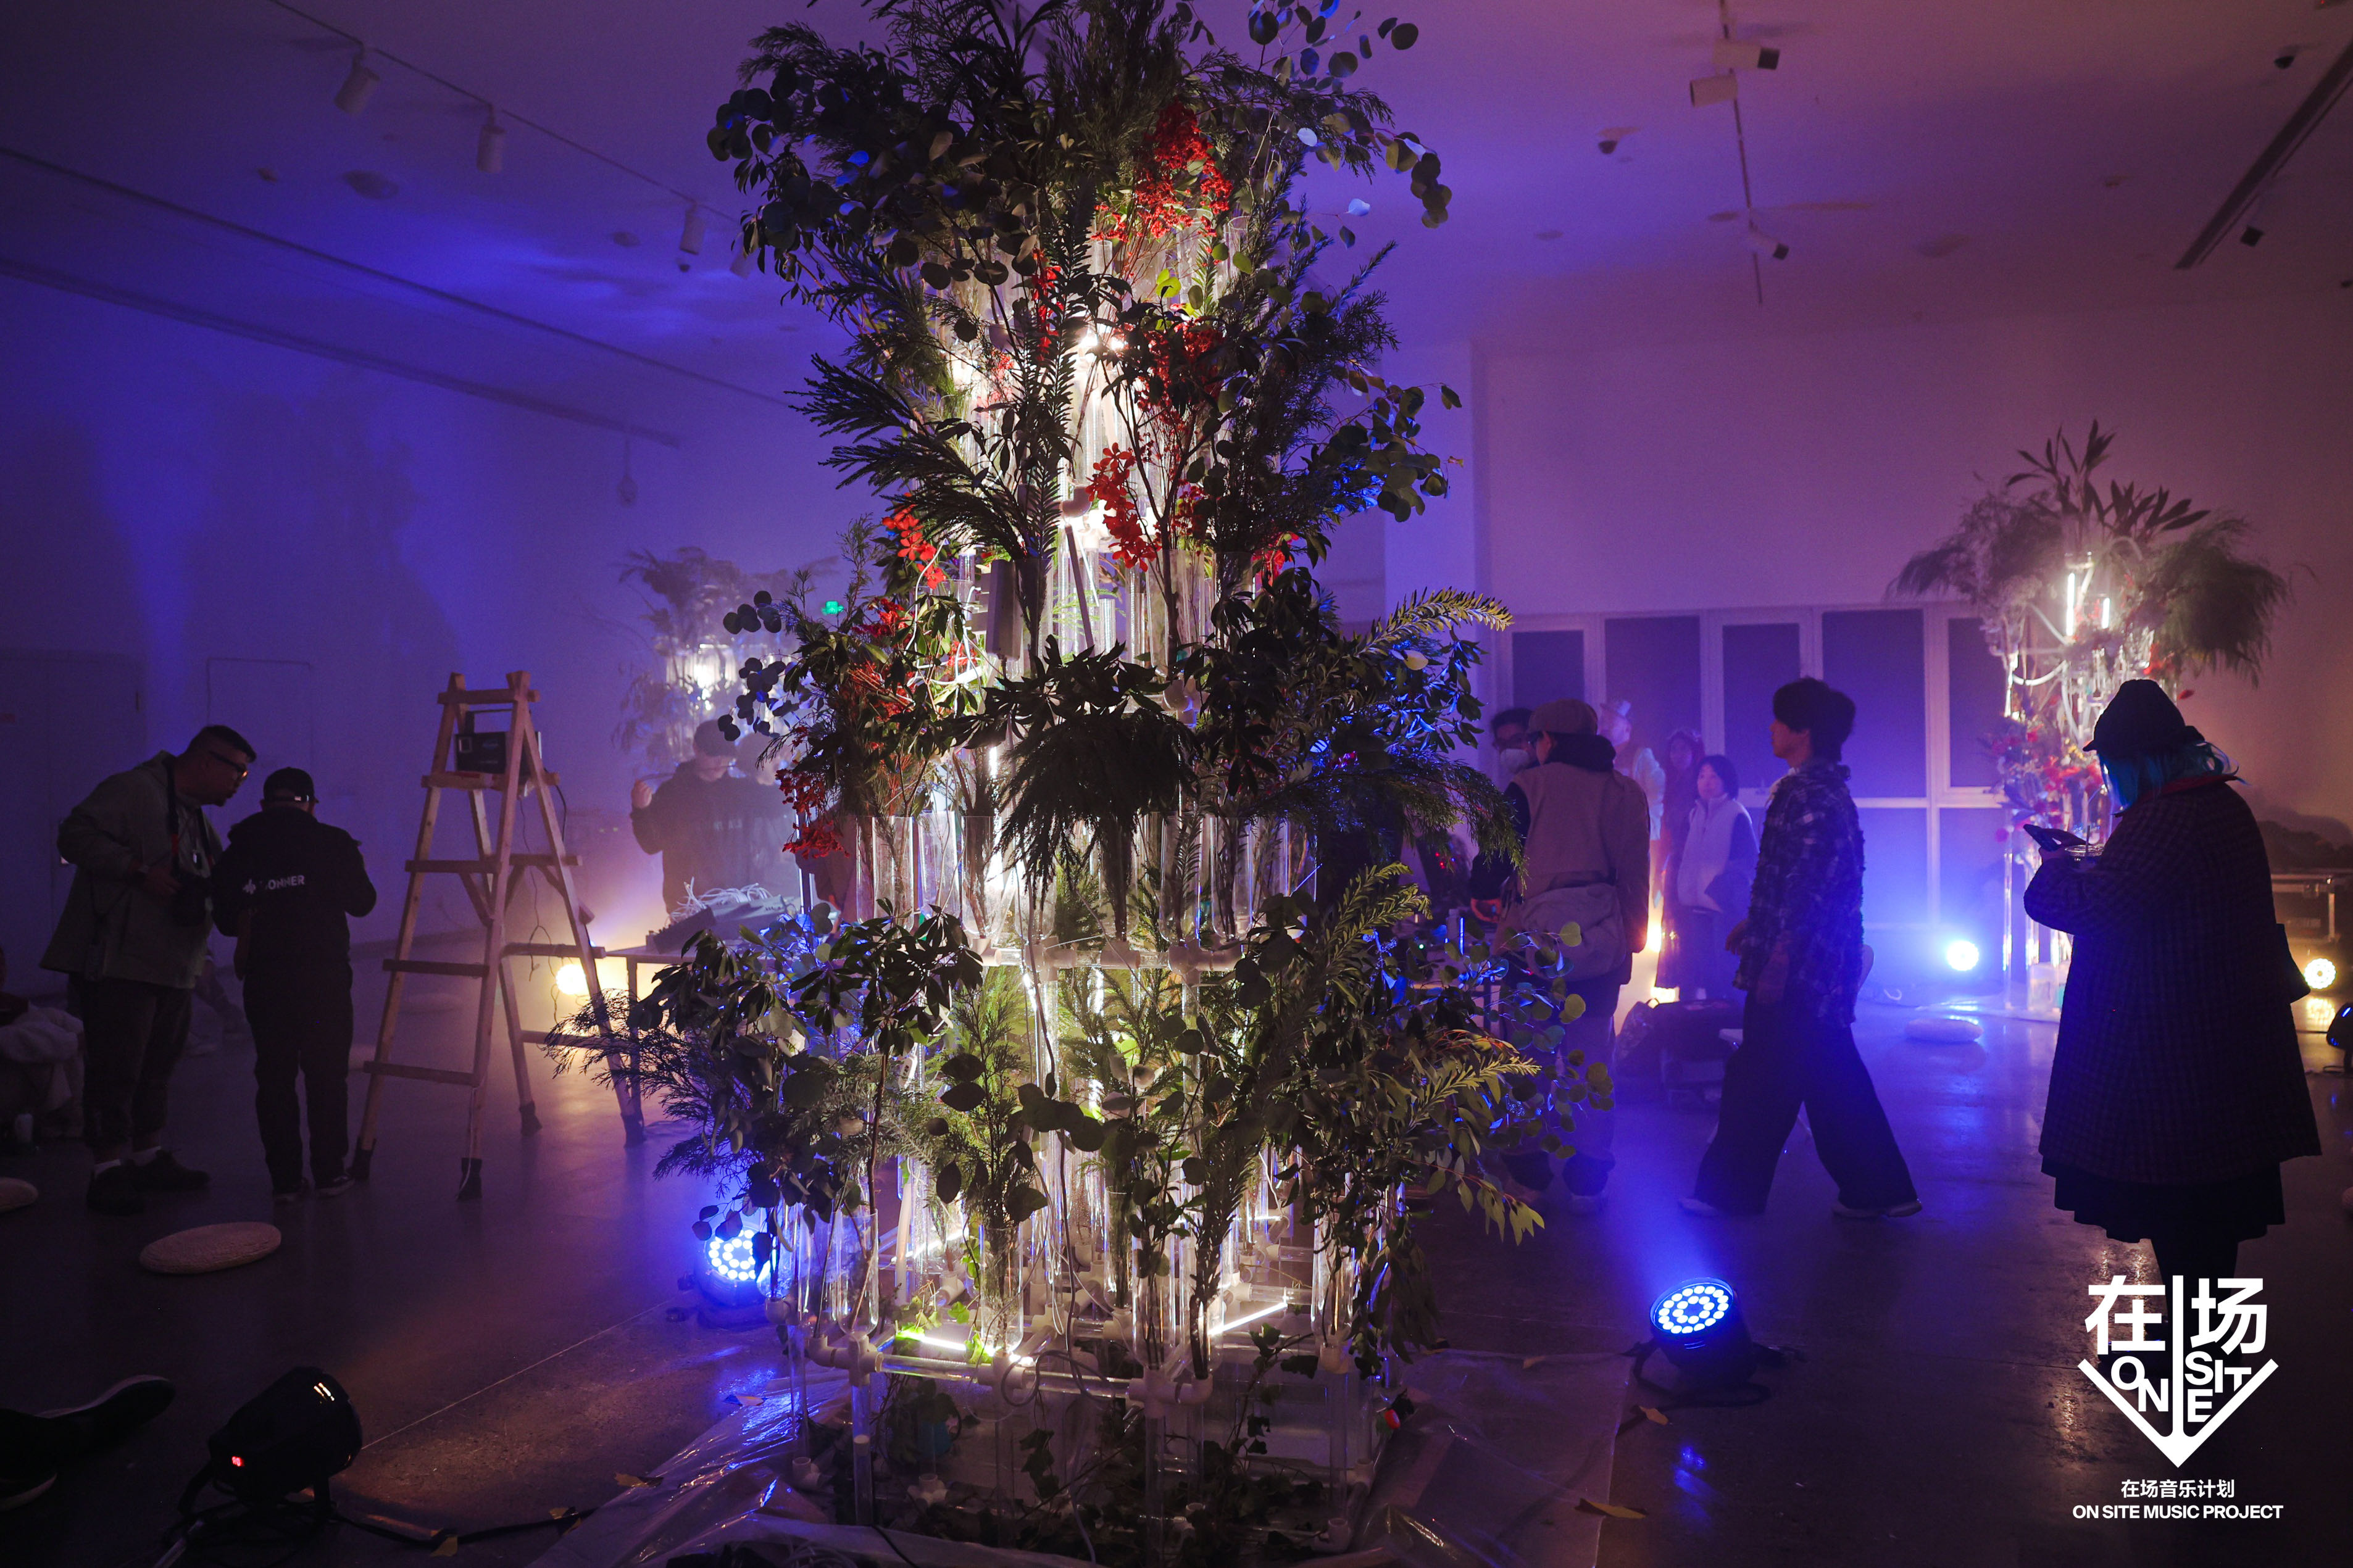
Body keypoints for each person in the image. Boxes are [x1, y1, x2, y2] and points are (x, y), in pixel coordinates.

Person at [2024, 681, 2318, 1288]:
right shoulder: (2218, 805)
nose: (2112, 781)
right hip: (2223, 1033)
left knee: (2182, 1205)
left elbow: (2099, 909)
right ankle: (2196, 1328)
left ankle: (2190, 1337)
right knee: (2210, 1208)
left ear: (2135, 762)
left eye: (2112, 767)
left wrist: (2054, 870)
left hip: (2173, 1046)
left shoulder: (2163, 818)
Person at [1686, 679, 1918, 1219]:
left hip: (1799, 966)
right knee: (1829, 1073)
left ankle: (1728, 1193)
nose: (1771, 728)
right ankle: (1879, 1190)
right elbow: (1812, 878)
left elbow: (1809, 881)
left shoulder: (1803, 794)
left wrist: (1779, 949)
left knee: (1760, 1078)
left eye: (1779, 720)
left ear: (1803, 731)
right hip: (1822, 961)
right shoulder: (1829, 790)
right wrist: (1758, 922)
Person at [41, 724, 254, 1216]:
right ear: (207, 760)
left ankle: (146, 1155)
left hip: (173, 964)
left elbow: (218, 875)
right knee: (117, 1068)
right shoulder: (135, 790)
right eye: (238, 772)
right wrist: (137, 870)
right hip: (122, 962)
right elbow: (74, 834)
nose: (238, 783)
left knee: (158, 1066)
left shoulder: (193, 815)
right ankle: (106, 1169)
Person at [1470, 697, 1650, 1213]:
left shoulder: (1528, 787)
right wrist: (1630, 939)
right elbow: (1635, 873)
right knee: (1592, 1062)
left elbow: (1490, 867)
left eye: (1533, 739)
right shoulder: (1626, 792)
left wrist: (1484, 888)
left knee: (1528, 1061)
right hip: (1600, 947)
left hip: (1532, 946)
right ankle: (1590, 1177)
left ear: (1547, 739)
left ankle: (1529, 1174)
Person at [211, 768, 378, 1201]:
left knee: (274, 1078)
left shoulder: (241, 846)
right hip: (323, 979)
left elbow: (225, 921)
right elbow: (363, 903)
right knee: (327, 1075)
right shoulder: (332, 842)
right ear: (310, 805)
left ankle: (285, 1181)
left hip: (266, 981)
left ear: (265, 805)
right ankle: (330, 1173)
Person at [630, 720, 794, 916]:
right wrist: (641, 810)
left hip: (740, 902)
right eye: (713, 754)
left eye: (725, 755)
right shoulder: (673, 794)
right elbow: (651, 844)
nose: (720, 762)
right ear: (696, 749)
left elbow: (782, 804)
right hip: (690, 908)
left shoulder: (740, 792)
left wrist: (791, 764)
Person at [1659, 754, 1755, 999]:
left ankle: (1728, 1019)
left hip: (1721, 909)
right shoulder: (1694, 814)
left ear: (1726, 781)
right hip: (1694, 907)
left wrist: (1721, 890)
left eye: (1714, 776)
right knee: (1697, 973)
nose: (1707, 782)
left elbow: (1747, 862)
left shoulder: (1736, 814)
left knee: (1724, 975)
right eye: (1702, 776)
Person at [1489, 707, 1535, 784]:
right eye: (1503, 744)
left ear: (1535, 739)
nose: (1509, 748)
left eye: (1517, 740)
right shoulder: (1518, 784)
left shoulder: (1549, 779)